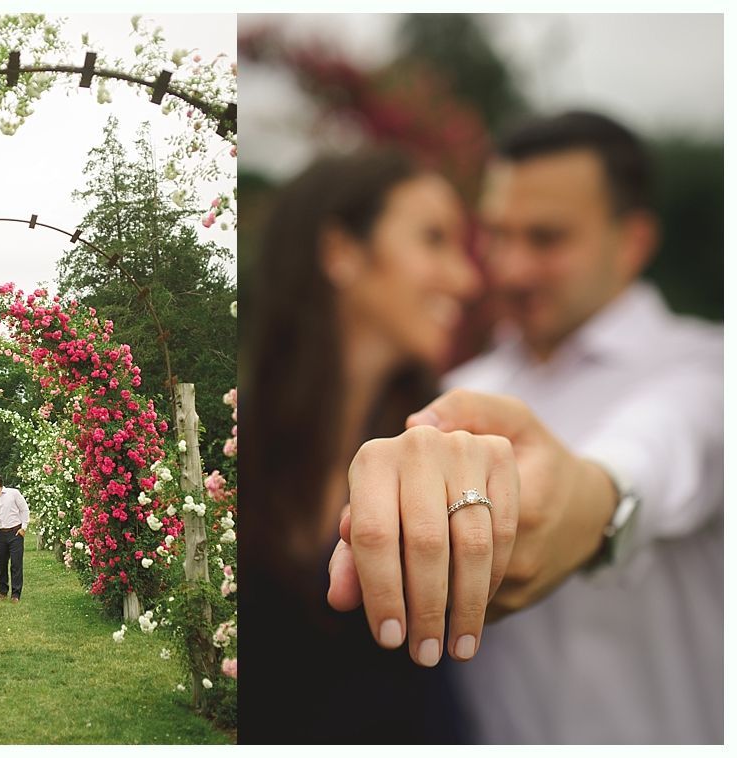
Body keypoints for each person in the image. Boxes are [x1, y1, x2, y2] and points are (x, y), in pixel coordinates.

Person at [329, 111, 723, 743]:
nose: (508, 268)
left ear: (634, 242)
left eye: (545, 239)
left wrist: (587, 501)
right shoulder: (456, 391)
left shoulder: (707, 370)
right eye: (496, 235)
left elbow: (661, 449)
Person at [240, 148, 520, 743]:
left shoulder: (452, 439)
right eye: (434, 239)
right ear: (341, 251)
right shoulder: (240, 433)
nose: (469, 279)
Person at [0, 474, 30, 603]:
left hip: (15, 533)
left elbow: (24, 510)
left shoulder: (13, 493)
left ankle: (16, 594)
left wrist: (23, 527)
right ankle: (2, 591)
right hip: (1, 535)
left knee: (16, 564)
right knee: (1, 564)